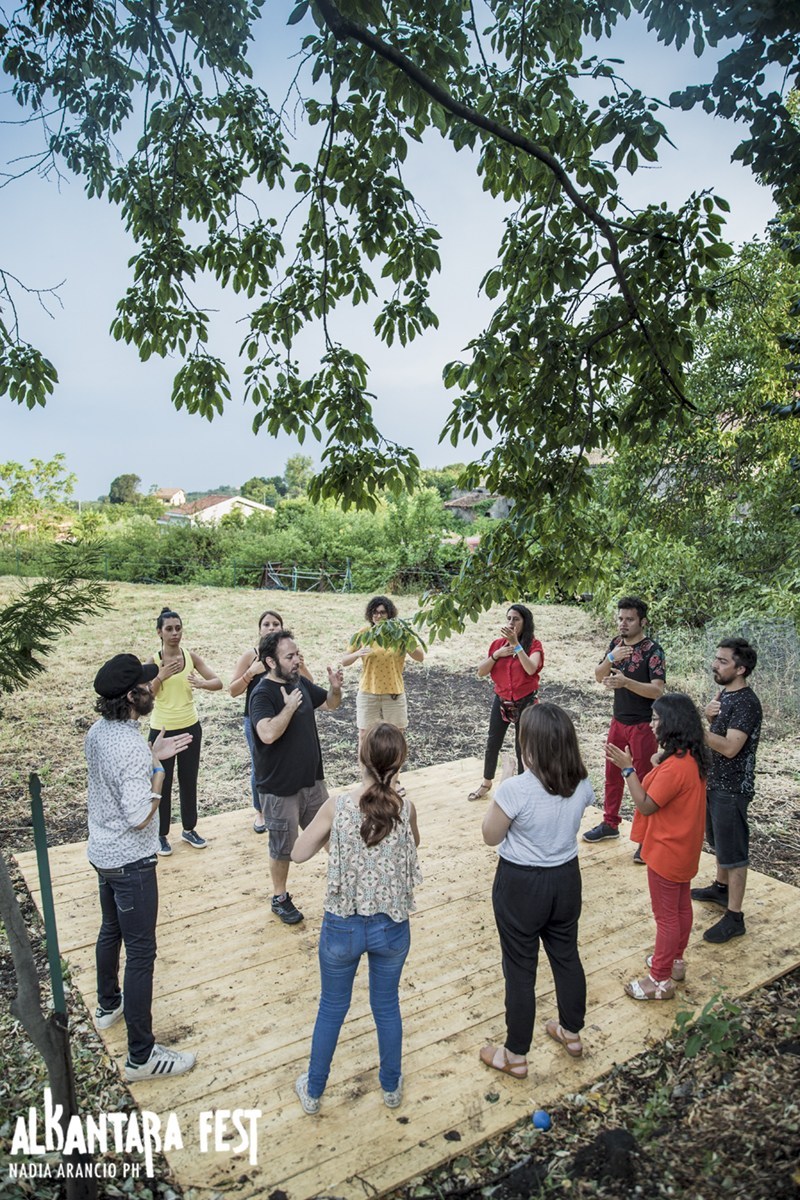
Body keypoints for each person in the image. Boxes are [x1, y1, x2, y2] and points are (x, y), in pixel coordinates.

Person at [291, 723, 421, 1114]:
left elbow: (297, 853)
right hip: (391, 928)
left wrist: (338, 842)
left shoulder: (339, 806)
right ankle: (391, 1087)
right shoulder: (406, 807)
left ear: (361, 758)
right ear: (399, 763)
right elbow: (412, 845)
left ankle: (313, 1091)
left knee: (332, 1007)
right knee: (386, 1006)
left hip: (342, 928)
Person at [86, 653, 197, 1080]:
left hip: (102, 854)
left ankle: (107, 1005)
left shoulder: (100, 731)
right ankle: (141, 1056)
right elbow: (139, 816)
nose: (153, 688)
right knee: (141, 953)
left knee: (109, 930)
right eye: (147, 685)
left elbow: (114, 779)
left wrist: (151, 753)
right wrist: (158, 776)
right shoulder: (129, 744)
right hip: (131, 863)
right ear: (132, 695)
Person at [480, 703, 594, 1077]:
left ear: (531, 744)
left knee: (519, 968)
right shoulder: (582, 783)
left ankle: (515, 1055)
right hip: (566, 878)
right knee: (566, 956)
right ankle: (572, 1034)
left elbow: (490, 836)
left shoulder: (517, 789)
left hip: (521, 885)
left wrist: (502, 785)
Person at [606, 692, 709, 1000]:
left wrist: (628, 769)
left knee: (666, 917)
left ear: (672, 724)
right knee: (680, 908)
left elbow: (646, 805)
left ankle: (659, 980)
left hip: (667, 849)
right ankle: (675, 961)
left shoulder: (676, 767)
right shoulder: (690, 757)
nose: (651, 724)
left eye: (656, 719)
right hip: (685, 848)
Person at [250, 628, 344, 925]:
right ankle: (280, 897)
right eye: (289, 656)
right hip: (279, 789)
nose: (296, 660)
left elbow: (331, 704)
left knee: (332, 834)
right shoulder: (262, 693)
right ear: (269, 661)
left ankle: (346, 882)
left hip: (313, 782)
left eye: (296, 654)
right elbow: (266, 733)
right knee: (282, 847)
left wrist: (335, 688)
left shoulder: (299, 682)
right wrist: (289, 707)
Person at [691, 638, 762, 944]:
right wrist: (709, 717)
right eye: (716, 659)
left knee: (733, 852)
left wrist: (698, 730)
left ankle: (735, 917)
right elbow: (721, 732)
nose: (715, 665)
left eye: (723, 661)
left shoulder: (746, 702)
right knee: (717, 840)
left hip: (732, 787)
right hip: (716, 781)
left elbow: (732, 748)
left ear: (741, 668)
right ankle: (720, 889)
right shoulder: (726, 695)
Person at [585, 597, 665, 858]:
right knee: (611, 774)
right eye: (620, 618)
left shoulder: (653, 650)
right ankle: (610, 823)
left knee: (643, 781)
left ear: (643, 621)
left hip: (642, 724)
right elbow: (598, 676)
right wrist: (610, 657)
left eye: (629, 619)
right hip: (618, 720)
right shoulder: (615, 645)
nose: (623, 623)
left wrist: (626, 683)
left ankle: (646, 837)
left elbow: (657, 691)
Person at [229, 609, 314, 834]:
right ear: (259, 629)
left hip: (289, 715)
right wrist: (250, 672)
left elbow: (310, 685)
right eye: (266, 624)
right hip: (256, 720)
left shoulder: (290, 656)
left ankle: (293, 805)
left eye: (276, 624)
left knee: (286, 761)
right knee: (261, 764)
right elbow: (232, 690)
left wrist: (302, 664)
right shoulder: (251, 657)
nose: (271, 627)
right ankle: (260, 812)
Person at [147, 607, 222, 855]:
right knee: (162, 783)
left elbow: (218, 682)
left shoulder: (191, 657)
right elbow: (146, 695)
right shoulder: (153, 661)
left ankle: (189, 829)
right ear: (159, 632)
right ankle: (161, 835)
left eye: (178, 628)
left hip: (190, 727)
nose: (175, 633)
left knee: (189, 780)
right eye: (169, 629)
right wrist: (160, 676)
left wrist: (201, 682)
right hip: (162, 731)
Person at [341, 596, 424, 792]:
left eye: (382, 612)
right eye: (375, 612)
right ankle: (367, 782)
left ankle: (393, 783)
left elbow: (420, 657)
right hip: (368, 692)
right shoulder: (363, 634)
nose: (378, 616)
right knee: (364, 736)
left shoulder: (400, 634)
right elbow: (344, 660)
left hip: (394, 693)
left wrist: (406, 641)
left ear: (390, 614)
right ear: (370, 615)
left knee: (396, 739)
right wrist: (359, 652)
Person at [467, 604, 544, 801]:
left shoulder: (533, 645)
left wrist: (517, 646)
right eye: (509, 618)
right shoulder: (497, 645)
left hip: (525, 701)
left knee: (522, 747)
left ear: (525, 622)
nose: (511, 622)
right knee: (493, 742)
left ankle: (522, 787)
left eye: (516, 619)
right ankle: (486, 783)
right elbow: (481, 671)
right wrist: (496, 655)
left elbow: (531, 669)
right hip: (501, 700)